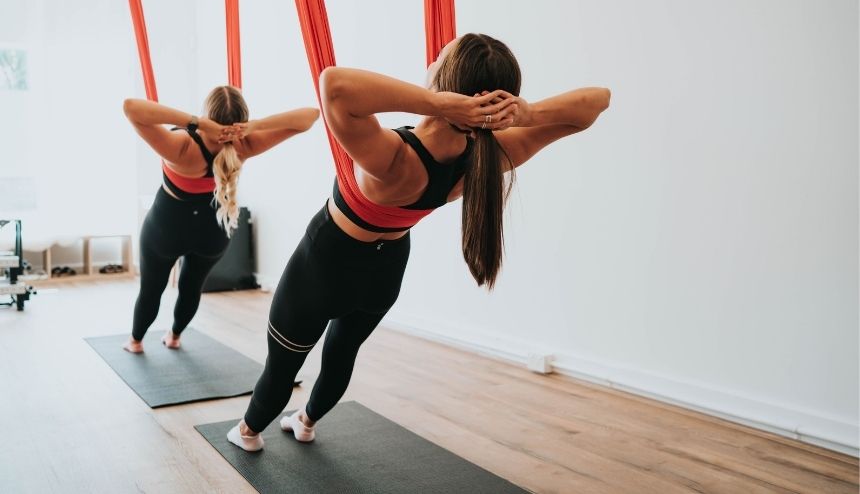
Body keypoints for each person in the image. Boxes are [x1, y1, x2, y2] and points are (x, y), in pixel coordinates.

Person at [225, 34, 610, 450]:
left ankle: (248, 432)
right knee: (342, 354)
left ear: (442, 82)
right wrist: (527, 113)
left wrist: (440, 104)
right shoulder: (489, 158)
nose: (435, 52)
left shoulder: (393, 156)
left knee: (281, 369)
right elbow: (597, 101)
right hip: (384, 273)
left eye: (441, 54)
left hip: (322, 267)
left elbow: (334, 84)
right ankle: (305, 421)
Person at [122, 86, 319, 353]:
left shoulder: (181, 146)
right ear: (243, 121)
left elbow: (131, 107)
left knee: (151, 290)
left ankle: (135, 341)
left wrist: (197, 123)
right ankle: (175, 337)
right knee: (191, 289)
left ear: (206, 114)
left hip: (165, 229)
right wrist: (255, 126)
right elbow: (310, 115)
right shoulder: (245, 145)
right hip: (212, 232)